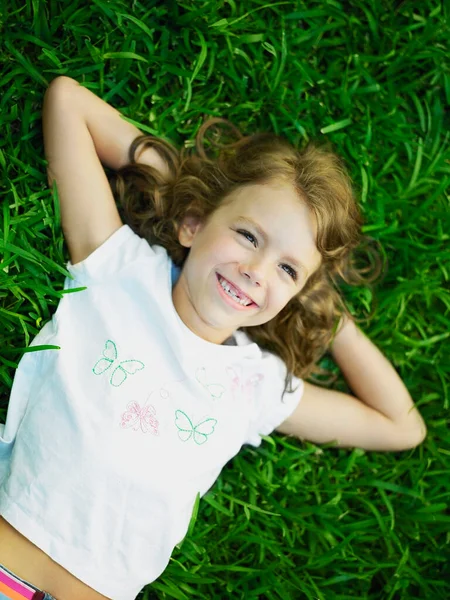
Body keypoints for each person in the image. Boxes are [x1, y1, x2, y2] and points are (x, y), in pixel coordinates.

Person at [0, 76, 426, 600]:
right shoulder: (117, 267)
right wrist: (174, 185)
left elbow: (400, 425)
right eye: (247, 234)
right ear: (194, 224)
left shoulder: (258, 385)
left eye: (288, 269)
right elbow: (67, 101)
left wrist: (328, 311)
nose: (256, 270)